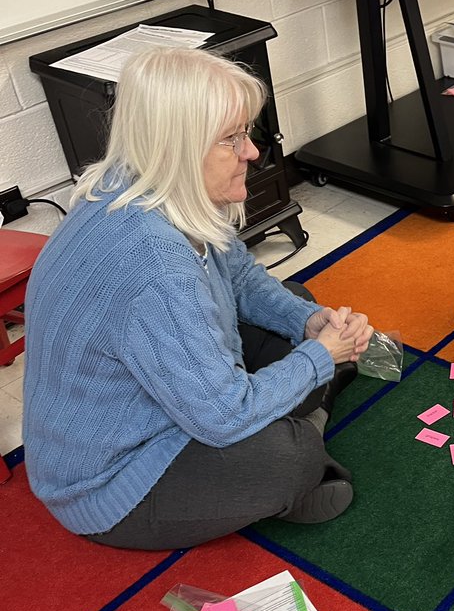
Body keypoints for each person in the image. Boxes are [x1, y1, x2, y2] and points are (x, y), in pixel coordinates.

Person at [23, 47, 373, 550]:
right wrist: (320, 359)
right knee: (291, 453)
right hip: (111, 481)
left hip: (160, 401)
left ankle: (301, 414)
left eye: (246, 132)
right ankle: (304, 449)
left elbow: (239, 279)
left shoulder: (148, 185)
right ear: (180, 147)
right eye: (232, 139)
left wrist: (308, 323)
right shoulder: (153, 264)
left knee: (294, 303)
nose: (252, 152)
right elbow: (223, 415)